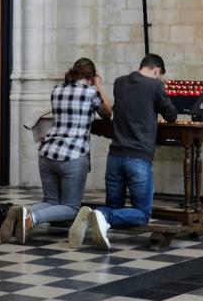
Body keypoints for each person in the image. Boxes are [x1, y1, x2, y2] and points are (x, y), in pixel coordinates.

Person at [68, 54, 177, 250]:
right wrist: (163, 90)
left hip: (115, 156)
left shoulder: (120, 83)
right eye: (160, 76)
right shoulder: (155, 86)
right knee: (143, 213)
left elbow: (119, 110)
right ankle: (101, 216)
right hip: (138, 157)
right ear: (157, 71)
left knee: (114, 206)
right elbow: (171, 115)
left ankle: (97, 215)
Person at [0, 57, 112, 244]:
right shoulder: (90, 92)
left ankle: (22, 213)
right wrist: (99, 85)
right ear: (91, 76)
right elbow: (107, 113)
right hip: (73, 156)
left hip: (47, 152)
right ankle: (31, 219)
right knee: (71, 207)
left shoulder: (57, 90)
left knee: (51, 201)